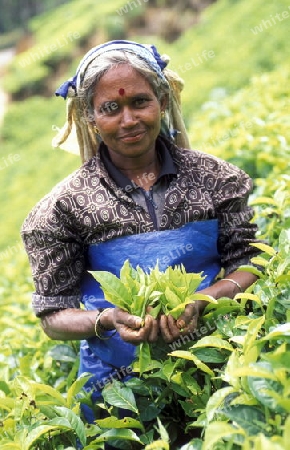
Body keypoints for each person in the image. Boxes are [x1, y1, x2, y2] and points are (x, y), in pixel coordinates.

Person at [21, 40, 260, 423]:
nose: (128, 119)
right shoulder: (60, 211)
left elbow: (249, 262)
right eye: (110, 108)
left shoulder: (219, 180)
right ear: (89, 117)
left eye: (140, 101)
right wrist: (106, 321)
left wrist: (204, 300)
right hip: (118, 392)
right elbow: (54, 316)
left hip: (223, 368)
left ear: (162, 101)